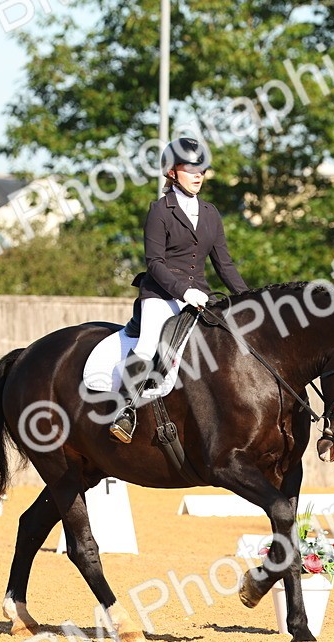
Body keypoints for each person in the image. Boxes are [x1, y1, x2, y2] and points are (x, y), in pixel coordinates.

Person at [108, 137, 250, 443]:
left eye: (202, 169)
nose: (199, 175)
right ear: (172, 172)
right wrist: (183, 292)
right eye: (191, 168)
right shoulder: (160, 211)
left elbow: (224, 266)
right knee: (148, 346)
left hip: (202, 295)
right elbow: (155, 263)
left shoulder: (211, 213)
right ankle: (125, 411)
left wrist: (250, 299)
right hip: (161, 294)